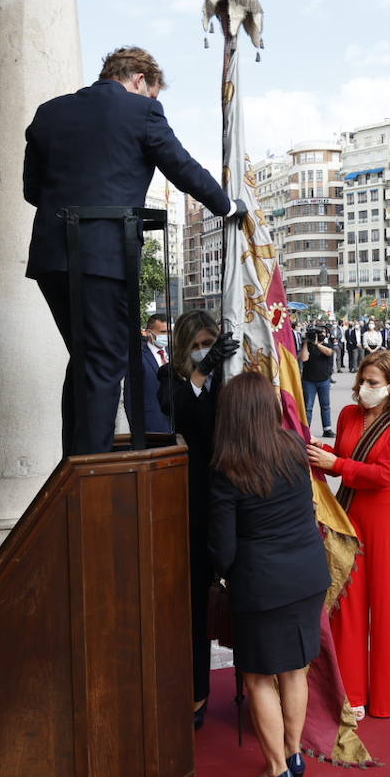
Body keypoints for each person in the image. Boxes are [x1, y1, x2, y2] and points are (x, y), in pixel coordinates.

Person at [24, 46, 235, 456]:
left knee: (85, 358)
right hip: (104, 257)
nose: (154, 101)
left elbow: (33, 191)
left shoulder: (48, 112)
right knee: (107, 361)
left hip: (52, 256)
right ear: (141, 80)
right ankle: (90, 474)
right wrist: (227, 206)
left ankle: (75, 461)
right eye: (154, 93)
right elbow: (182, 167)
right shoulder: (142, 112)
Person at [208, 372, 330, 777]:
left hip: (261, 585)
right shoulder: (294, 447)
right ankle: (293, 756)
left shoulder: (228, 469)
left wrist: (220, 575)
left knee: (259, 678)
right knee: (295, 671)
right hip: (308, 573)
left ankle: (276, 771)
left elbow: (222, 550)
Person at [308, 350, 390, 718]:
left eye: (373, 383)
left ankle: (388, 698)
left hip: (387, 518)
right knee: (348, 603)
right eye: (362, 381)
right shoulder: (348, 414)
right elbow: (342, 455)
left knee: (388, 603)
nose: (364, 388)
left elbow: (386, 474)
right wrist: (315, 451)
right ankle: (351, 693)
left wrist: (336, 463)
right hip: (351, 514)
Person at [156, 309, 239, 729]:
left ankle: (252, 688)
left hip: (233, 498)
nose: (206, 351)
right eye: (198, 344)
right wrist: (200, 374)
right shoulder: (171, 379)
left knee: (245, 599)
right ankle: (195, 694)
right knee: (193, 604)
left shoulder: (229, 376)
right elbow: (174, 411)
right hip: (191, 505)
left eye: (212, 343)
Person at [123, 313, 172, 436]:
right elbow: (130, 398)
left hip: (177, 427)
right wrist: (137, 430)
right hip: (152, 428)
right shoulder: (137, 359)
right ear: (149, 333)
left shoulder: (175, 355)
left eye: (170, 332)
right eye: (163, 332)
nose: (167, 336)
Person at [299, 324, 336, 438]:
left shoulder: (327, 343)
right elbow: (304, 358)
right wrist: (306, 342)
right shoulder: (307, 345)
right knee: (308, 407)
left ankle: (327, 429)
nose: (320, 335)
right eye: (318, 333)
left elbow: (329, 352)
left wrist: (317, 344)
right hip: (308, 380)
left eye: (322, 333)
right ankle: (306, 429)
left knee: (325, 406)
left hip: (324, 380)